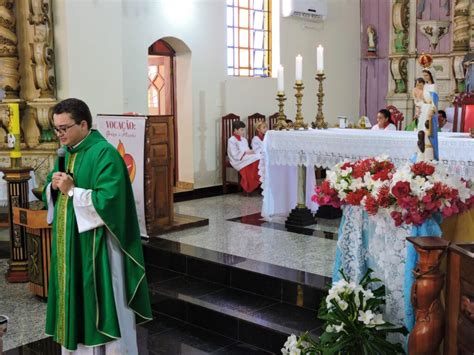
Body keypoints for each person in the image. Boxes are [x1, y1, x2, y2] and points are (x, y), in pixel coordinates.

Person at [43, 98, 152, 354]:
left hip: (99, 248)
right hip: (71, 248)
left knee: (102, 304)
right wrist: (53, 185)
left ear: (83, 124)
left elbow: (110, 201)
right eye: (56, 129)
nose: (59, 135)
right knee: (75, 304)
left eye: (64, 128)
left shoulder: (105, 153)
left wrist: (73, 191)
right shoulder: (68, 153)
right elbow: (52, 187)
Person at [227, 120, 260, 193]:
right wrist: (246, 152)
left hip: (245, 156)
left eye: (243, 130)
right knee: (255, 158)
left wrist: (251, 151)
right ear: (235, 130)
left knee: (259, 156)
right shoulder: (231, 140)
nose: (243, 132)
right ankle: (248, 185)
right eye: (241, 130)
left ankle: (257, 182)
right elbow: (233, 153)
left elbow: (247, 149)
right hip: (237, 159)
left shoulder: (244, 139)